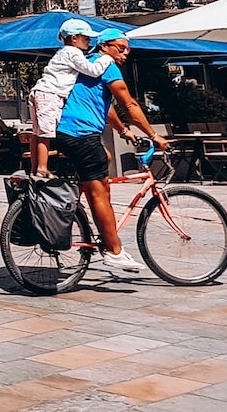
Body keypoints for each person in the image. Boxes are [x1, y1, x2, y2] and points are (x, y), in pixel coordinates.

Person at [55, 29, 170, 274]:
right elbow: (129, 103)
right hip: (80, 133)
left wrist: (122, 130)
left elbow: (105, 107)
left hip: (68, 132)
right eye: (121, 47)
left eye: (128, 49)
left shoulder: (89, 66)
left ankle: (91, 220)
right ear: (104, 46)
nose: (126, 53)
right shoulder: (107, 66)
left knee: (104, 160)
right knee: (99, 189)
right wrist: (153, 135)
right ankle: (114, 251)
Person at [27, 17, 112, 179]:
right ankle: (42, 169)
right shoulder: (73, 52)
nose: (89, 41)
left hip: (40, 91)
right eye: (86, 38)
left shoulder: (62, 53)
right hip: (50, 94)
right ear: (74, 38)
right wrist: (107, 58)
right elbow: (92, 70)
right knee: (46, 133)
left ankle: (34, 168)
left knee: (37, 132)